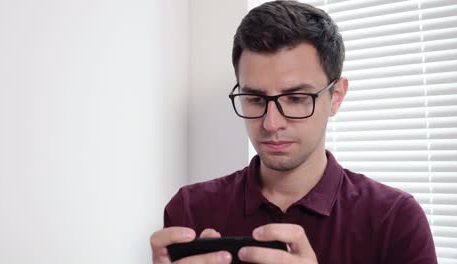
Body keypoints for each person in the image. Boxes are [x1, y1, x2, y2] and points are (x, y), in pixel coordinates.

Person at [150, 1, 437, 263]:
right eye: (255, 99)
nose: (271, 123)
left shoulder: (396, 220)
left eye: (297, 99)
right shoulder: (189, 209)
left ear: (336, 96)